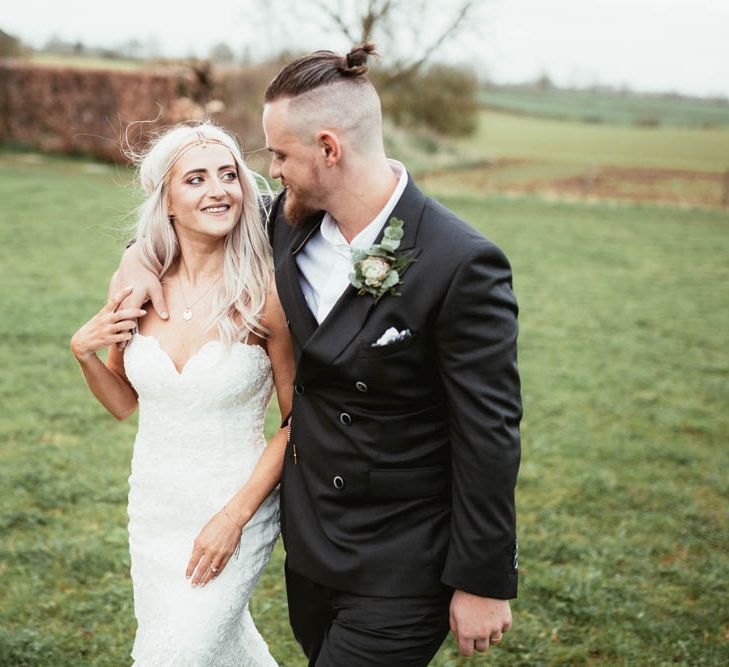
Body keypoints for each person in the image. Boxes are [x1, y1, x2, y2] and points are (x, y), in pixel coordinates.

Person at [118, 44, 521, 666]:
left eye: (279, 154)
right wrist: (135, 261)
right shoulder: (285, 223)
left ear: (328, 148)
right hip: (311, 548)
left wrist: (485, 578)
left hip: (404, 556)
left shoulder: (460, 262)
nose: (270, 171)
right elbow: (187, 221)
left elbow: (489, 433)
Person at [70, 122, 294, 665]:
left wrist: (233, 518)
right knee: (211, 649)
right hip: (154, 506)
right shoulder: (135, 288)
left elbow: (299, 420)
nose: (218, 190)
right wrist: (83, 353)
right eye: (195, 179)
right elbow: (125, 402)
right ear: (166, 200)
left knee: (178, 655)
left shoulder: (265, 295)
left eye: (228, 176)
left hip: (234, 505)